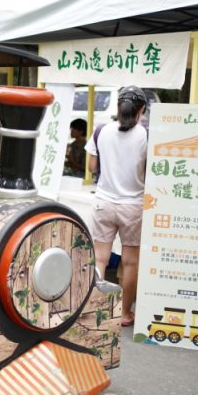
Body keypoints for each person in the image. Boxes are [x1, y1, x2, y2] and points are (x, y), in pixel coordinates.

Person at [84, 86, 148, 328]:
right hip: (133, 206)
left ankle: (96, 308)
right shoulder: (147, 135)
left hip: (104, 202)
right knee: (131, 262)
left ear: (118, 106)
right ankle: (124, 313)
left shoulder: (101, 130)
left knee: (100, 257)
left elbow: (91, 167)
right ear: (142, 108)